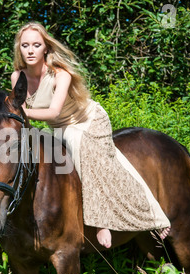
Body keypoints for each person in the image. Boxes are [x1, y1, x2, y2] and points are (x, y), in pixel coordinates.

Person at [11, 22, 171, 248]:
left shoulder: (60, 75)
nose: (30, 50)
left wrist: (21, 111)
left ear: (45, 48)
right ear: (19, 48)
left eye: (36, 45)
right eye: (25, 45)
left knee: (84, 151)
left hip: (86, 121)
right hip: (58, 128)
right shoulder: (17, 76)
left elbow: (53, 111)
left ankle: (105, 222)